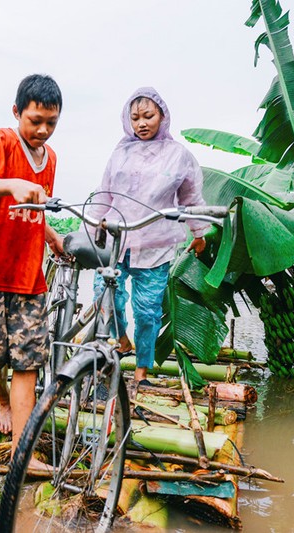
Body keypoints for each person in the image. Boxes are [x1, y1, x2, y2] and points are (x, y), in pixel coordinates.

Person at [0, 74, 64, 464]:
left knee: (28, 360)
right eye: (35, 120)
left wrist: (51, 235)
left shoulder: (50, 158)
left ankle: (24, 452)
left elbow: (34, 210)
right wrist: (12, 183)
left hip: (27, 275)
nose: (43, 130)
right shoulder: (1, 140)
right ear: (17, 112)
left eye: (51, 123)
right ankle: (2, 400)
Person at [86, 86, 209, 385]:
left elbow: (192, 198)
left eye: (148, 116)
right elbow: (105, 194)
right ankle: (122, 339)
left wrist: (199, 232)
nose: (141, 123)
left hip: (156, 244)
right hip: (116, 239)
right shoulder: (120, 152)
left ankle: (142, 371)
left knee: (147, 310)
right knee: (104, 296)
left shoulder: (179, 155)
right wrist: (90, 232)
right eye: (135, 117)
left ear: (162, 116)